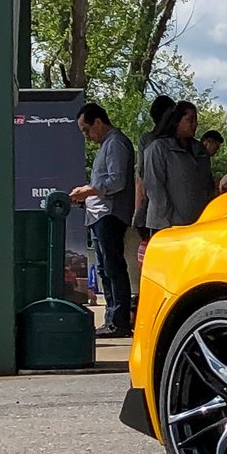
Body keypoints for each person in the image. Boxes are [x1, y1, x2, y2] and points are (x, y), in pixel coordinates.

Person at [70, 103, 136, 337]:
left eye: (87, 130)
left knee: (113, 267)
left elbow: (117, 181)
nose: (87, 136)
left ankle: (119, 320)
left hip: (110, 214)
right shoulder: (107, 145)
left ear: (98, 122)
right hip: (98, 214)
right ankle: (112, 318)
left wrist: (88, 191)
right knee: (105, 269)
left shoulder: (116, 143)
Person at [142, 101, 214, 230]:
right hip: (166, 225)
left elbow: (207, 184)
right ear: (176, 121)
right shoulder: (158, 148)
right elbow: (154, 187)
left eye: (196, 120)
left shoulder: (200, 150)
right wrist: (169, 217)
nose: (194, 124)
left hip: (197, 223)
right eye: (189, 120)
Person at [132, 94, 175, 242]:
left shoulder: (148, 139)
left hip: (154, 206)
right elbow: (140, 178)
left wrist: (138, 213)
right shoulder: (151, 140)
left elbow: (140, 178)